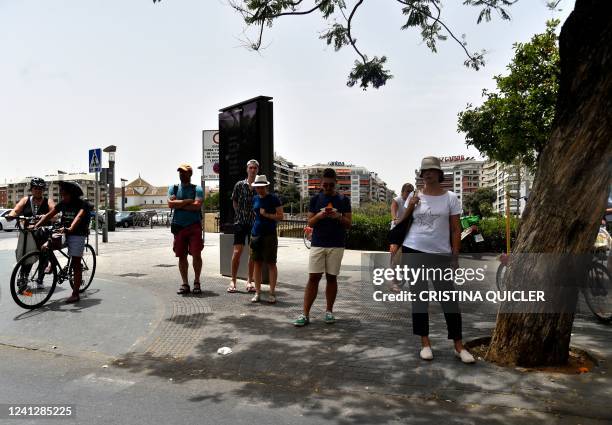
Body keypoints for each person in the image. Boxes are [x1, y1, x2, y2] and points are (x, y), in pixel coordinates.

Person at [399, 156, 475, 363]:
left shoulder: (450, 197)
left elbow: (456, 229)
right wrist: (410, 207)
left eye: (432, 170)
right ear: (421, 175)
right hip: (414, 251)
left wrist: (455, 255)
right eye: (425, 171)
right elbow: (400, 222)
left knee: (449, 299)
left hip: (441, 254)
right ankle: (425, 343)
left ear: (440, 174)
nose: (428, 173)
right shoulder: (414, 196)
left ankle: (459, 346)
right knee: (419, 299)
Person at [293, 168, 352, 327]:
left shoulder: (343, 200)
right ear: (321, 183)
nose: (327, 188)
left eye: (330, 185)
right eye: (325, 185)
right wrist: (319, 216)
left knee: (331, 277)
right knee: (313, 278)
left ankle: (329, 311)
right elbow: (310, 222)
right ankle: (305, 314)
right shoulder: (315, 199)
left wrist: (338, 216)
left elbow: (349, 224)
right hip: (318, 243)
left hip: (336, 243)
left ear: (336, 183)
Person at [35, 181, 90, 303]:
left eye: (64, 194)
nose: (62, 196)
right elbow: (49, 215)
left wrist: (71, 228)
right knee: (46, 246)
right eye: (61, 194)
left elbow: (79, 217)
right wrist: (36, 225)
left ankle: (75, 294)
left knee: (76, 263)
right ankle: (53, 264)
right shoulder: (63, 203)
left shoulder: (82, 204)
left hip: (78, 234)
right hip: (64, 231)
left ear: (73, 194)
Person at [8, 178, 56, 288]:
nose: (38, 190)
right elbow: (16, 210)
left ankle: (40, 279)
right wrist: (11, 215)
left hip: (42, 233)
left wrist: (47, 217)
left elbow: (54, 214)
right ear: (31, 189)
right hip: (28, 233)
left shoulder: (48, 201)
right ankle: (23, 279)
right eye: (36, 188)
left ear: (43, 190)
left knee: (43, 256)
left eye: (40, 189)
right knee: (27, 256)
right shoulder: (25, 200)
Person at [168, 164, 204, 295]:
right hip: (179, 227)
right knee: (181, 256)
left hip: (194, 226)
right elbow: (170, 204)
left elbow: (197, 206)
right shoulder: (173, 188)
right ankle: (185, 283)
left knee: (196, 255)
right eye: (180, 172)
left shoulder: (197, 189)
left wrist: (180, 204)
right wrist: (188, 201)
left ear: (190, 174)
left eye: (184, 172)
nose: (181, 174)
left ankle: (197, 281)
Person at [249, 175, 283, 303]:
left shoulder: (274, 199)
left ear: (266, 186)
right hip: (256, 234)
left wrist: (266, 215)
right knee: (256, 263)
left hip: (270, 235)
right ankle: (257, 293)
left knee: (271, 263)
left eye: (261, 187)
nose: (259, 189)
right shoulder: (255, 199)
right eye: (257, 187)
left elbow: (280, 216)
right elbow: (255, 214)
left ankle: (272, 293)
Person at [228, 159, 259, 293]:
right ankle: (233, 280)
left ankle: (249, 281)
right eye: (250, 168)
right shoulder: (239, 185)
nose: (252, 170)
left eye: (255, 168)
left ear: (257, 170)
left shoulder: (260, 186)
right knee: (237, 251)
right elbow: (234, 201)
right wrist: (239, 214)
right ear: (247, 169)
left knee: (252, 253)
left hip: (254, 223)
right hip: (240, 222)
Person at [389, 183, 414, 291]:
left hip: (409, 231)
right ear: (402, 191)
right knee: (394, 253)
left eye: (411, 191)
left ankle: (401, 279)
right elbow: (393, 212)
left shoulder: (413, 202)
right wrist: (395, 219)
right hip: (397, 229)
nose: (409, 193)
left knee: (405, 257)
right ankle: (394, 282)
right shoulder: (397, 200)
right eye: (407, 191)